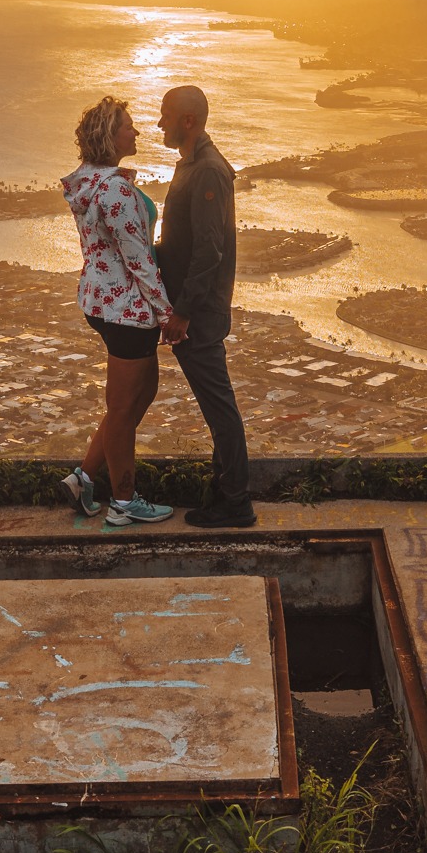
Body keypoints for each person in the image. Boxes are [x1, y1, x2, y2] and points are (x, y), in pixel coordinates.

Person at [60, 95, 175, 527]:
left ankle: (84, 479)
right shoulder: (115, 190)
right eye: (128, 125)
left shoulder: (91, 181)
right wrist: (167, 315)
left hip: (102, 300)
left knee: (138, 396)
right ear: (111, 136)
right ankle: (124, 502)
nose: (137, 131)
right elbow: (139, 260)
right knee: (125, 408)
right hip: (127, 308)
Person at [157, 85, 255, 527]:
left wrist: (183, 311)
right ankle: (224, 491)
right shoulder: (193, 166)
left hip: (201, 311)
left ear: (188, 121)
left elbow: (208, 251)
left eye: (166, 115)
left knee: (219, 407)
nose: (160, 122)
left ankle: (236, 501)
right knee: (217, 406)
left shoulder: (209, 172)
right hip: (195, 308)